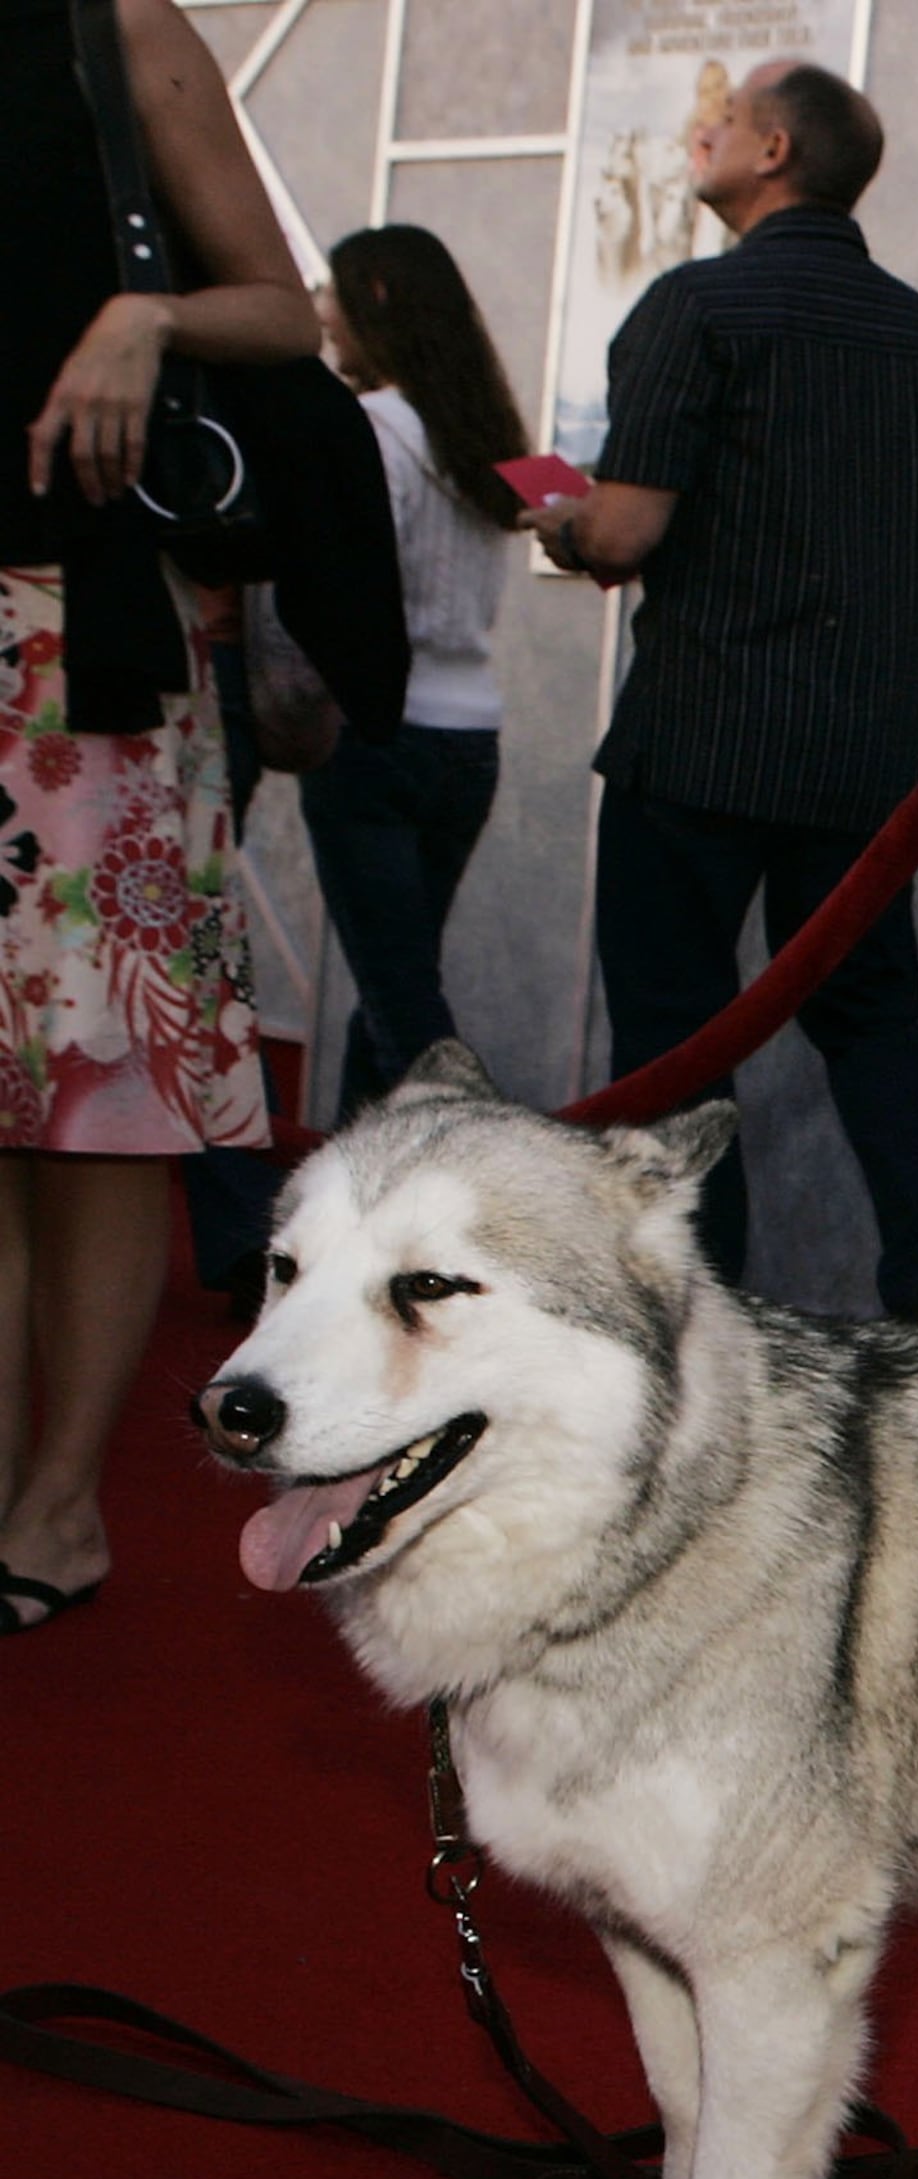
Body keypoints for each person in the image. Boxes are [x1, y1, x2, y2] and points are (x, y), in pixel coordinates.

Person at [532, 59, 918, 1318]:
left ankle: (699, 1312)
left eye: (719, 121)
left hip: (702, 737)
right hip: (859, 756)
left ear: (774, 150)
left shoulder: (699, 306)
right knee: (877, 1021)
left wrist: (562, 518)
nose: (698, 135)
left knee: (674, 1043)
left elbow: (622, 533)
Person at [1, 0, 313, 1631]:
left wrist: (146, 314)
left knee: (96, 1094)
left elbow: (287, 309)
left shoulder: (114, 29)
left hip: (83, 633)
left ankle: (60, 1509)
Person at [303, 224, 520, 1121]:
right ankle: (360, 1180)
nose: (322, 310)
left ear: (378, 298)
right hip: (471, 739)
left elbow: (338, 582)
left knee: (400, 1001)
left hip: (377, 735)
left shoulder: (368, 428)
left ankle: (470, 1159)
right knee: (395, 982)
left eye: (333, 290)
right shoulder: (489, 435)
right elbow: (558, 523)